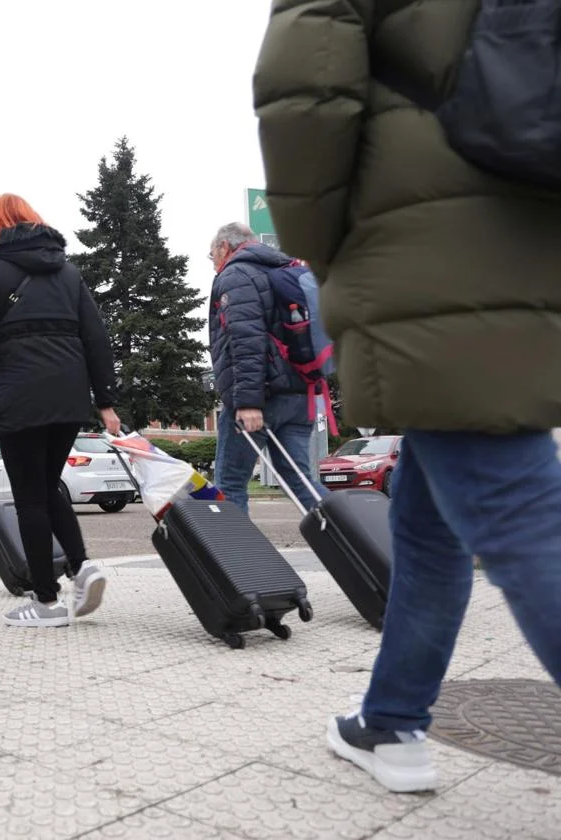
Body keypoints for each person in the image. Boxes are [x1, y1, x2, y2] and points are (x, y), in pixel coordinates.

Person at [255, 0, 561, 793]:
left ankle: (390, 722)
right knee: (427, 531)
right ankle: (389, 723)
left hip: (422, 245)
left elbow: (304, 102)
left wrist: (322, 253)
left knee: (523, 518)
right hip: (523, 235)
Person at [0, 194, 120, 628]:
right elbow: (96, 336)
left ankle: (46, 602)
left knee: (30, 498)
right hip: (70, 395)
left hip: (22, 394)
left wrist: (1, 368)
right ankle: (83, 565)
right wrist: (104, 399)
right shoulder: (68, 272)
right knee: (48, 486)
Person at [208, 222, 328, 515]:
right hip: (301, 396)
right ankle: (358, 541)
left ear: (225, 247)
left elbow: (246, 340)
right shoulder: (286, 270)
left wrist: (248, 402)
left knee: (231, 483)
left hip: (261, 398)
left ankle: (238, 559)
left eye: (211, 254)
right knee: (301, 481)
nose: (212, 262)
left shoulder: (236, 275)